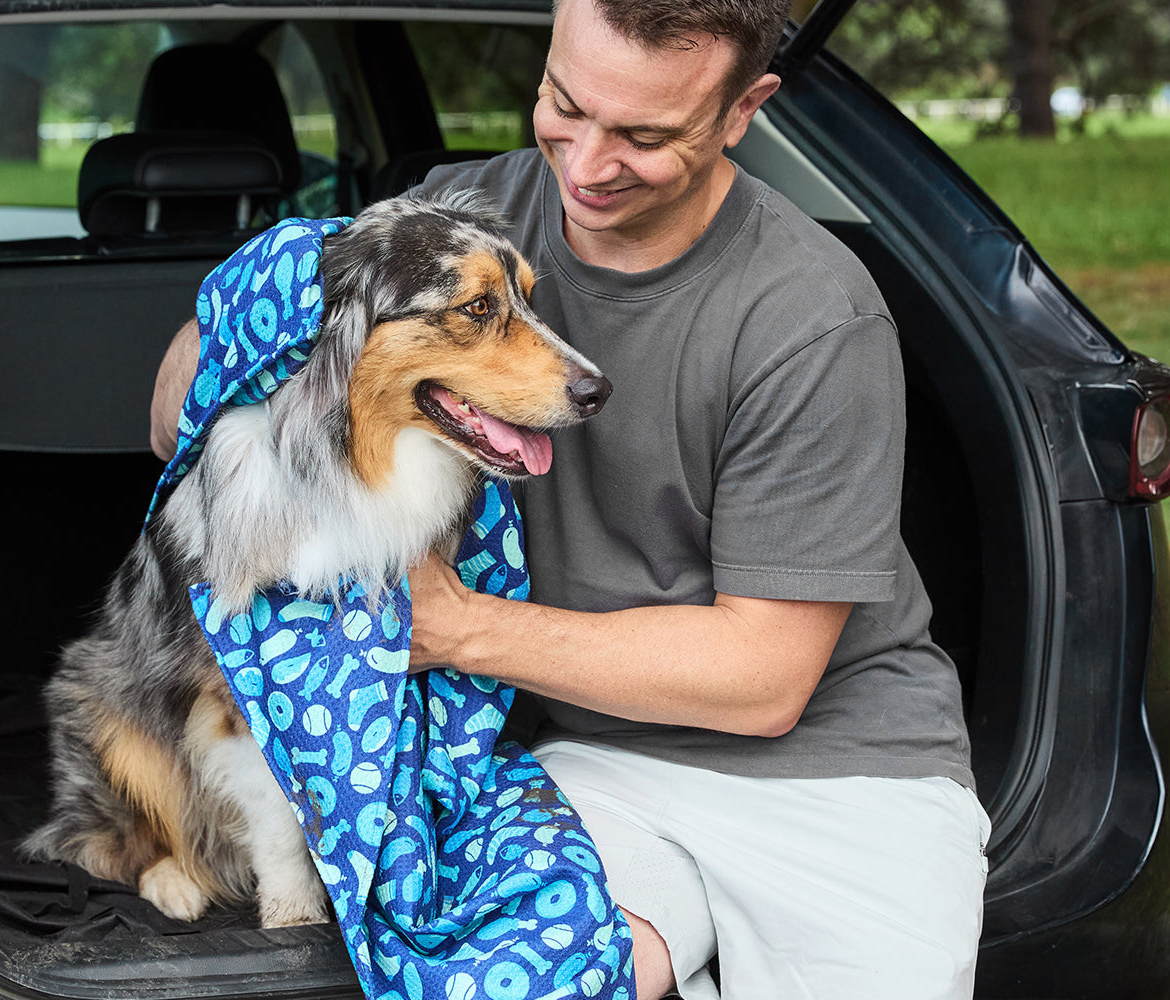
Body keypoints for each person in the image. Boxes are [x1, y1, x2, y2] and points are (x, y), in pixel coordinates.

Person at [149, 1, 986, 996]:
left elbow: (766, 680)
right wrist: (254, 318)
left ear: (740, 111)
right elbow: (179, 414)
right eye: (563, 103)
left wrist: (455, 628)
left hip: (842, 775)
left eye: (643, 135)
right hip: (572, 759)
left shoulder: (810, 316)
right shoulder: (455, 218)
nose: (585, 166)